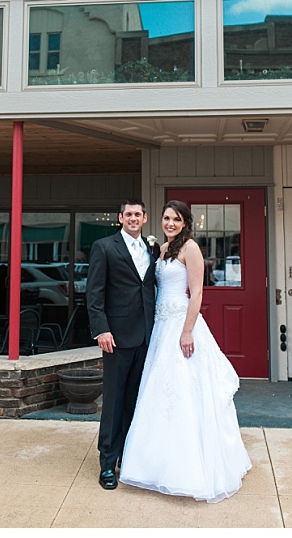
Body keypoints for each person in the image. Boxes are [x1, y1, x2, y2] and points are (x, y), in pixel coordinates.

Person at [119, 200, 251, 502]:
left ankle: (188, 468)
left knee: (184, 393)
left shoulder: (190, 248)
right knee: (158, 393)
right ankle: (154, 465)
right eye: (166, 218)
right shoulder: (162, 250)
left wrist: (188, 330)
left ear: (185, 222)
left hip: (181, 325)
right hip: (161, 328)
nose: (170, 223)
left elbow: (198, 292)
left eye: (176, 219)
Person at [86, 198, 157, 491]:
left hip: (146, 336)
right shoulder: (104, 247)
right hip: (115, 337)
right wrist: (101, 329)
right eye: (128, 214)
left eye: (137, 214)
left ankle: (129, 458)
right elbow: (94, 293)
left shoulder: (151, 249)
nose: (133, 218)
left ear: (144, 218)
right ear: (120, 217)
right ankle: (107, 464)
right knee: (114, 402)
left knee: (135, 402)